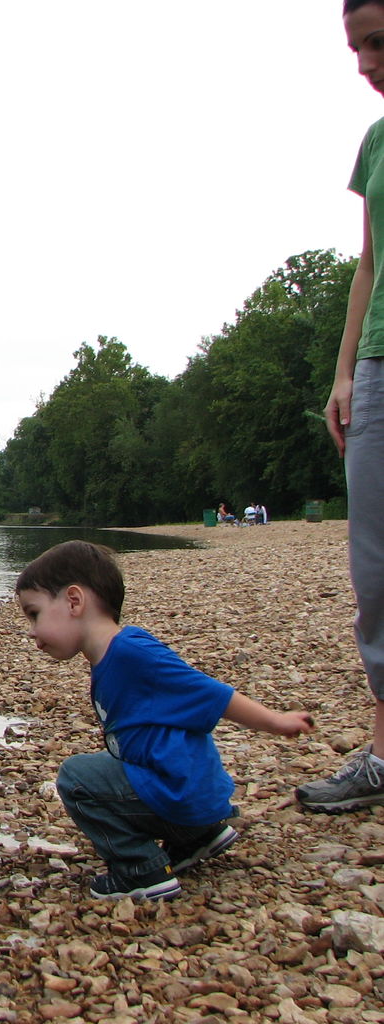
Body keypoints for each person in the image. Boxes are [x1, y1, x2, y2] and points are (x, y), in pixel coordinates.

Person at [16, 540, 315, 900]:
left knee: (77, 778)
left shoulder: (130, 651)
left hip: (185, 795)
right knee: (115, 762)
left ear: (74, 601)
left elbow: (210, 692)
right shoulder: (111, 656)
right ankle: (195, 837)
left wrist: (275, 722)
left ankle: (141, 870)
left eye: (34, 614)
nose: (32, 631)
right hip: (192, 797)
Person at [298, 0, 384, 814]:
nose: (364, 63)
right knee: (375, 570)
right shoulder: (376, 140)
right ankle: (382, 756)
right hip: (382, 362)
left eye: (378, 42)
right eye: (355, 48)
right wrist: (344, 370)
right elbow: (366, 263)